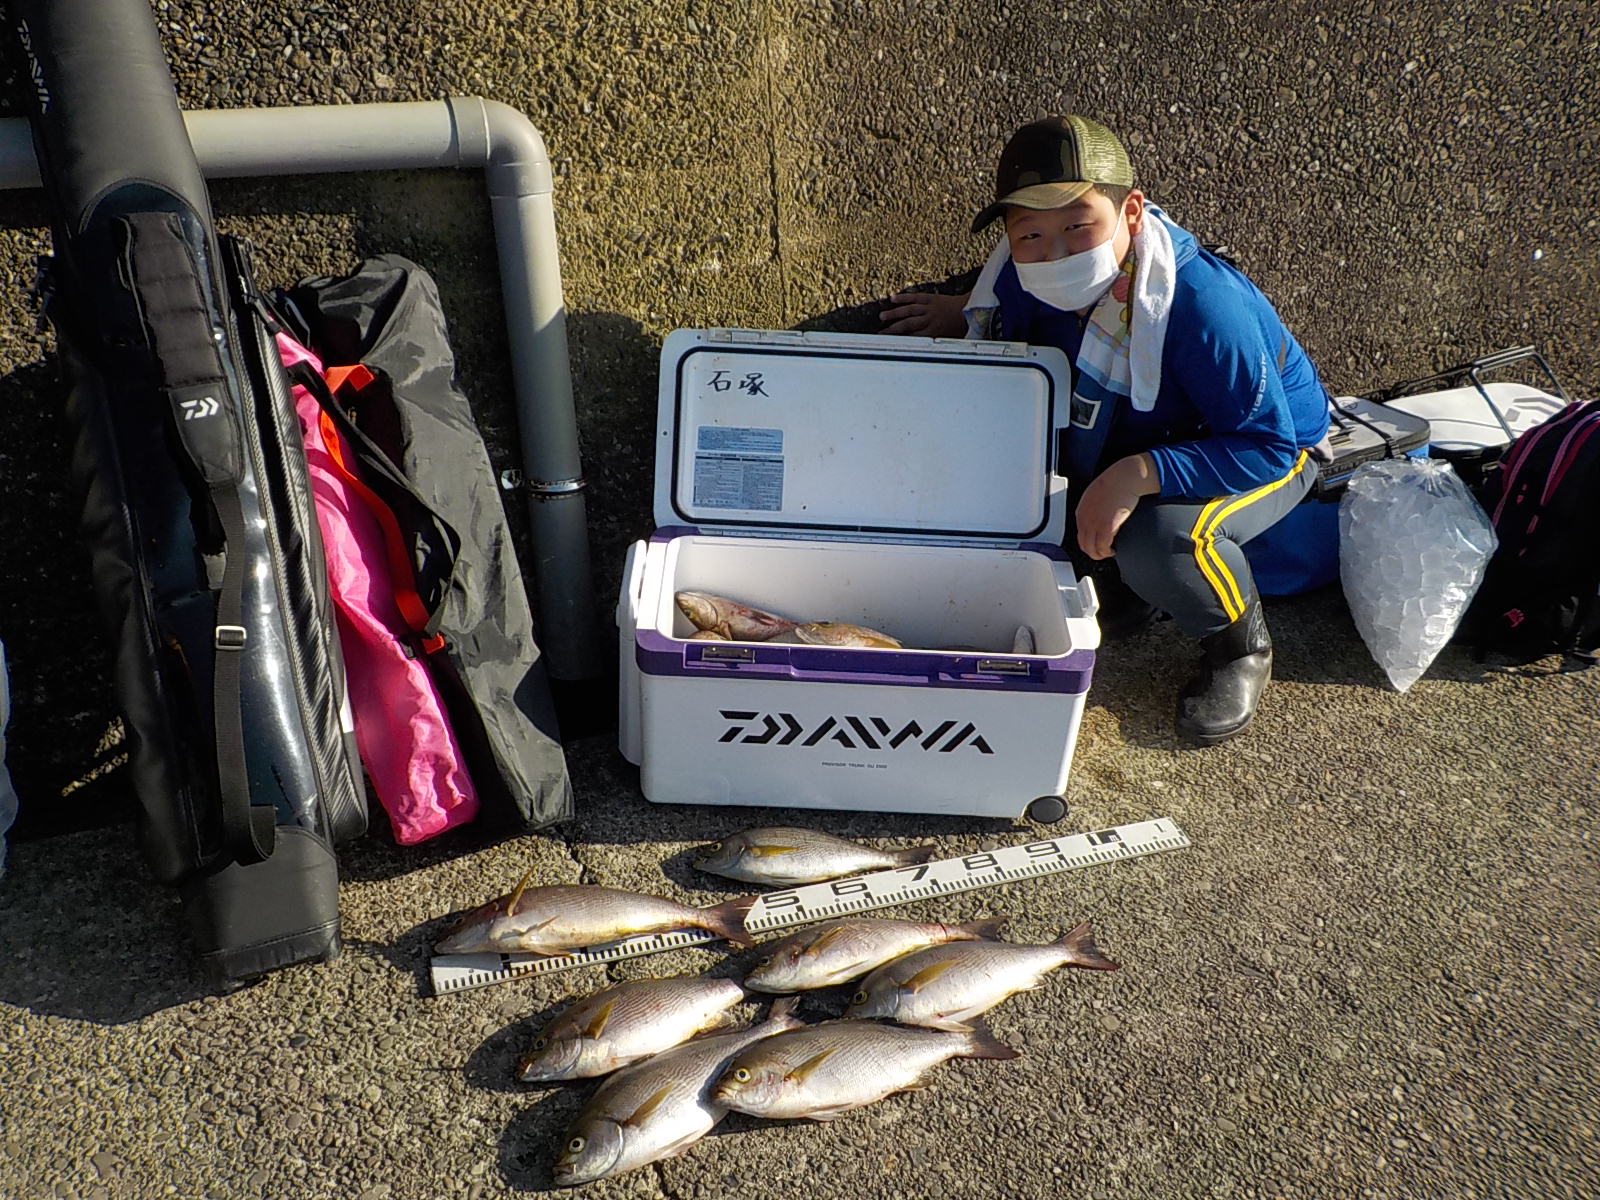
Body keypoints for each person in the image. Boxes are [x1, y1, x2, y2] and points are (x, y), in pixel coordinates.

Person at [882, 114, 1332, 746]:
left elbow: (1266, 442)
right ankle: (1133, 591)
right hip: (1139, 433)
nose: (1056, 250)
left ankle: (1237, 646)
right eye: (1030, 232)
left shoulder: (1203, 307)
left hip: (1265, 446)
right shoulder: (1018, 273)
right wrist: (962, 312)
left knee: (1164, 539)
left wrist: (1139, 474)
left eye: (1078, 224)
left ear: (1130, 212)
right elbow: (1005, 304)